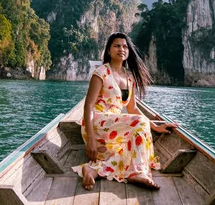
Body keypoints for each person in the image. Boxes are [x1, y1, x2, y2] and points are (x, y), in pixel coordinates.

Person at [72, 32, 178, 190]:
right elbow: (88, 107)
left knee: (131, 147)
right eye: (117, 46)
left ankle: (93, 170)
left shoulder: (129, 77)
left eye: (125, 46)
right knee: (138, 129)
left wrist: (155, 127)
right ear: (109, 50)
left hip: (113, 127)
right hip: (97, 124)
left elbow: (132, 108)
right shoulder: (101, 73)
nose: (121, 49)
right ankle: (138, 172)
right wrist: (91, 140)